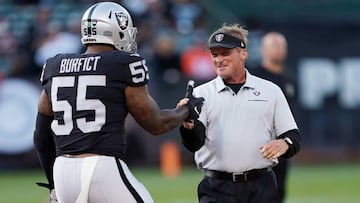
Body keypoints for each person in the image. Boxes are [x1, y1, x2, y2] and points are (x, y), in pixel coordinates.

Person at [33, 2, 203, 203]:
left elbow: (41, 137)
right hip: (101, 167)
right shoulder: (123, 63)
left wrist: (54, 186)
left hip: (62, 170)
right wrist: (186, 110)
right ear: (114, 28)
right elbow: (155, 123)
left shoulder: (55, 65)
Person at [178, 24, 301, 203]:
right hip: (216, 188)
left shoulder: (270, 90)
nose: (218, 59)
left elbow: (293, 136)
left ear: (243, 54)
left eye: (225, 53)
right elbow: (194, 143)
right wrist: (188, 126)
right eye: (214, 54)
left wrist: (285, 143)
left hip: (262, 186)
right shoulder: (201, 94)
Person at [251, 31, 297, 203]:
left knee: (277, 194)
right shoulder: (254, 78)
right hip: (256, 148)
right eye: (274, 45)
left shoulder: (289, 79)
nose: (279, 50)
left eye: (282, 46)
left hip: (281, 147)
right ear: (263, 49)